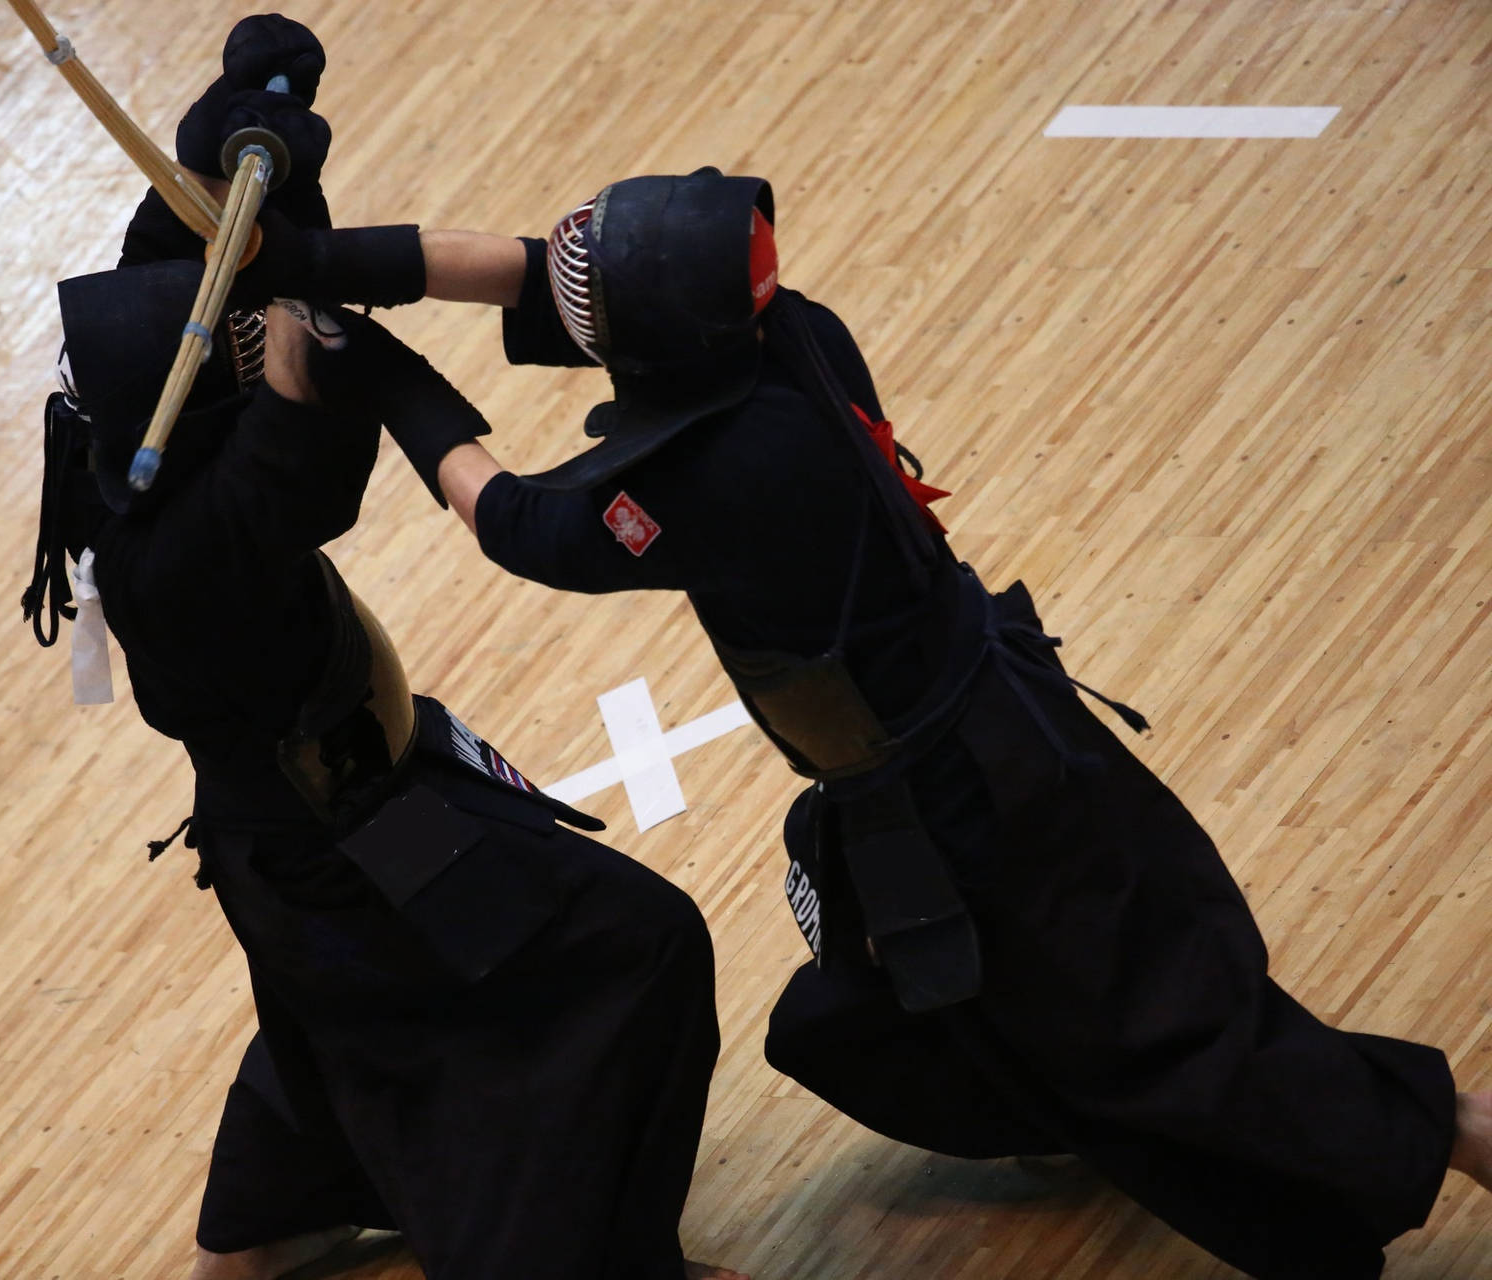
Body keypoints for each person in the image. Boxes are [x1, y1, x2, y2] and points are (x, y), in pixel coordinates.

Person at [228, 167, 1492, 1279]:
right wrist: (330, 261)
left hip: (975, 804)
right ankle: (1086, 1097)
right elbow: (536, 271)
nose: (564, 276)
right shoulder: (782, 336)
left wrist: (387, 378)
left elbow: (517, 522)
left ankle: (1455, 1127)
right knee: (930, 1021)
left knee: (1184, 1037)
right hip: (995, 739)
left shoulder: (727, 475)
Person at [20, 25, 744, 1280]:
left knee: (332, 1021)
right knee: (631, 949)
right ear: (183, 416)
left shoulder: (133, 431)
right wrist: (311, 344)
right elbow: (304, 444)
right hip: (346, 844)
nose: (238, 343)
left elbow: (187, 253)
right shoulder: (186, 556)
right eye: (228, 357)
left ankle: (257, 1232)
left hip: (316, 823)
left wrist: (249, 125)